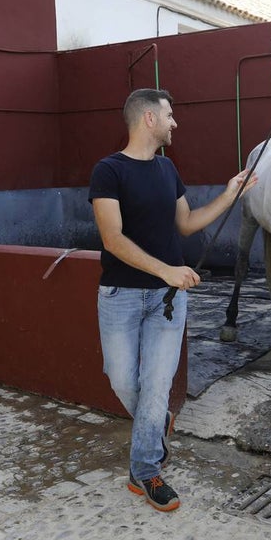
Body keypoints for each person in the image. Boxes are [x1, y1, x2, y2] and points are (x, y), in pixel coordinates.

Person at [89, 88, 258, 512]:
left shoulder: (168, 169)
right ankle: (157, 421)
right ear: (149, 118)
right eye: (169, 115)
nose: (174, 123)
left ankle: (145, 471)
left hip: (167, 300)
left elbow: (186, 223)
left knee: (156, 384)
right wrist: (166, 269)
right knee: (122, 380)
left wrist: (230, 195)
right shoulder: (108, 171)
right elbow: (112, 239)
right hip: (121, 296)